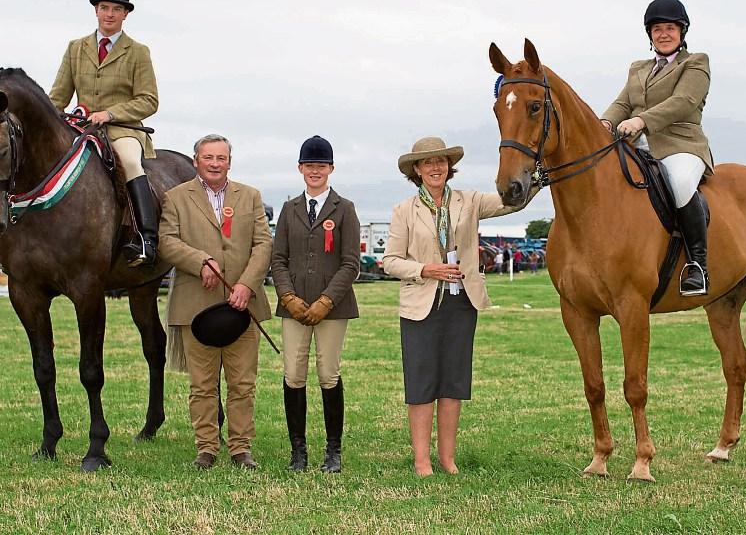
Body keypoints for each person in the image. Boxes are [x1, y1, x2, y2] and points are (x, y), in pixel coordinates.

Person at [382, 136, 522, 476]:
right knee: (421, 384)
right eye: (428, 163)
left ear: (449, 166)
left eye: (441, 161)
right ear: (416, 170)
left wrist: (533, 176)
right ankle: (421, 461)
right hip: (420, 306)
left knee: (453, 383)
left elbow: (510, 202)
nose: (435, 167)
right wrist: (425, 270)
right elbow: (390, 262)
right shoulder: (404, 211)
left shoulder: (469, 201)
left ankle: (447, 459)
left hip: (462, 304)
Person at [158, 134, 272, 470]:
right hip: (196, 307)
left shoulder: (250, 197)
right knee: (203, 385)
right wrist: (199, 261)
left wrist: (247, 285)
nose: (214, 163)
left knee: (242, 383)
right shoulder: (176, 198)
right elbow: (166, 242)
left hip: (243, 307)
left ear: (229, 162)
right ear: (196, 161)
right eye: (208, 157)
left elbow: (263, 244)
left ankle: (240, 448)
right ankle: (206, 448)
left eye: (221, 158)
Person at [600, 0, 713, 296]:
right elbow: (623, 102)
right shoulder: (638, 68)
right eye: (657, 29)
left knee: (680, 182)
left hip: (681, 145)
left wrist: (640, 122)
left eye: (670, 28)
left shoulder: (696, 63)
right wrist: (605, 123)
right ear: (649, 34)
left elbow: (683, 102)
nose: (663, 34)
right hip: (638, 148)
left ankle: (698, 266)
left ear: (682, 32)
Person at [49, 0, 160, 267]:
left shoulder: (138, 51)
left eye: (116, 9)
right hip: (81, 129)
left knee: (130, 162)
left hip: (123, 129)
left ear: (125, 15)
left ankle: (146, 238)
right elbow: (58, 96)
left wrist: (110, 114)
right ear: (96, 11)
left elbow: (149, 101)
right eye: (104, 8)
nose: (109, 14)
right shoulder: (76, 48)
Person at [271, 135, 360, 473]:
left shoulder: (344, 209)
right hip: (293, 306)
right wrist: (288, 297)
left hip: (333, 308)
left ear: (331, 168)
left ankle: (333, 451)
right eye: (309, 166)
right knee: (293, 374)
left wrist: (326, 300)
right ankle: (298, 451)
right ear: (300, 168)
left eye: (321, 166)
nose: (315, 171)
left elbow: (351, 262)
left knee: (328, 373)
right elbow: (278, 259)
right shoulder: (289, 208)